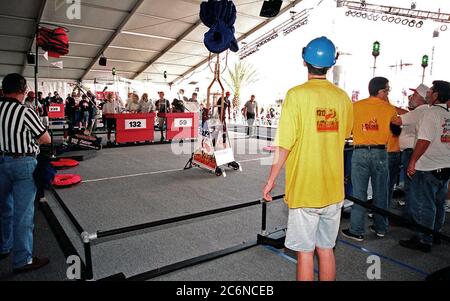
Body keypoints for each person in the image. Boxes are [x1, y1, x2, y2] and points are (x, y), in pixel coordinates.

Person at [263, 37, 353, 281]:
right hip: (333, 189)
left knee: (305, 254)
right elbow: (345, 134)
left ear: (304, 61)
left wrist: (271, 180)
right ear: (331, 64)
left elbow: (285, 144)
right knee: (326, 250)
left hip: (305, 189)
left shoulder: (296, 95)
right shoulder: (343, 98)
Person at [0, 73, 51, 273]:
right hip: (23, 163)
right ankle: (22, 260)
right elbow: (45, 138)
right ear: (23, 91)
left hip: (1, 161)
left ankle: (4, 246)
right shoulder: (25, 111)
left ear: (3, 90)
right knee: (23, 214)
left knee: (4, 207)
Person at [341, 77, 398, 241]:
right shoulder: (390, 109)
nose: (388, 92)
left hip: (360, 153)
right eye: (387, 89)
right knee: (381, 192)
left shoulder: (355, 106)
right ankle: (381, 227)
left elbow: (347, 131)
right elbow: (395, 133)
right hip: (381, 153)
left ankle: (357, 230)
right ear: (380, 91)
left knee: (359, 193)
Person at [399, 80, 450, 252]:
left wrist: (413, 161)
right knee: (439, 202)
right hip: (445, 165)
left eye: (431, 91)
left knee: (423, 204)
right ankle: (435, 233)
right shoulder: (447, 114)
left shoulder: (431, 113)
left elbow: (424, 140)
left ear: (436, 95)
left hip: (428, 166)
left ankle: (423, 239)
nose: (428, 93)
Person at [391, 84, 429, 216]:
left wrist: (382, 107)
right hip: (414, 153)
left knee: (411, 188)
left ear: (422, 98)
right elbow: (407, 114)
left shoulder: (420, 111)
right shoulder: (424, 111)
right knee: (414, 188)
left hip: (410, 152)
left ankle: (410, 218)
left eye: (415, 95)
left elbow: (397, 120)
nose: (410, 96)